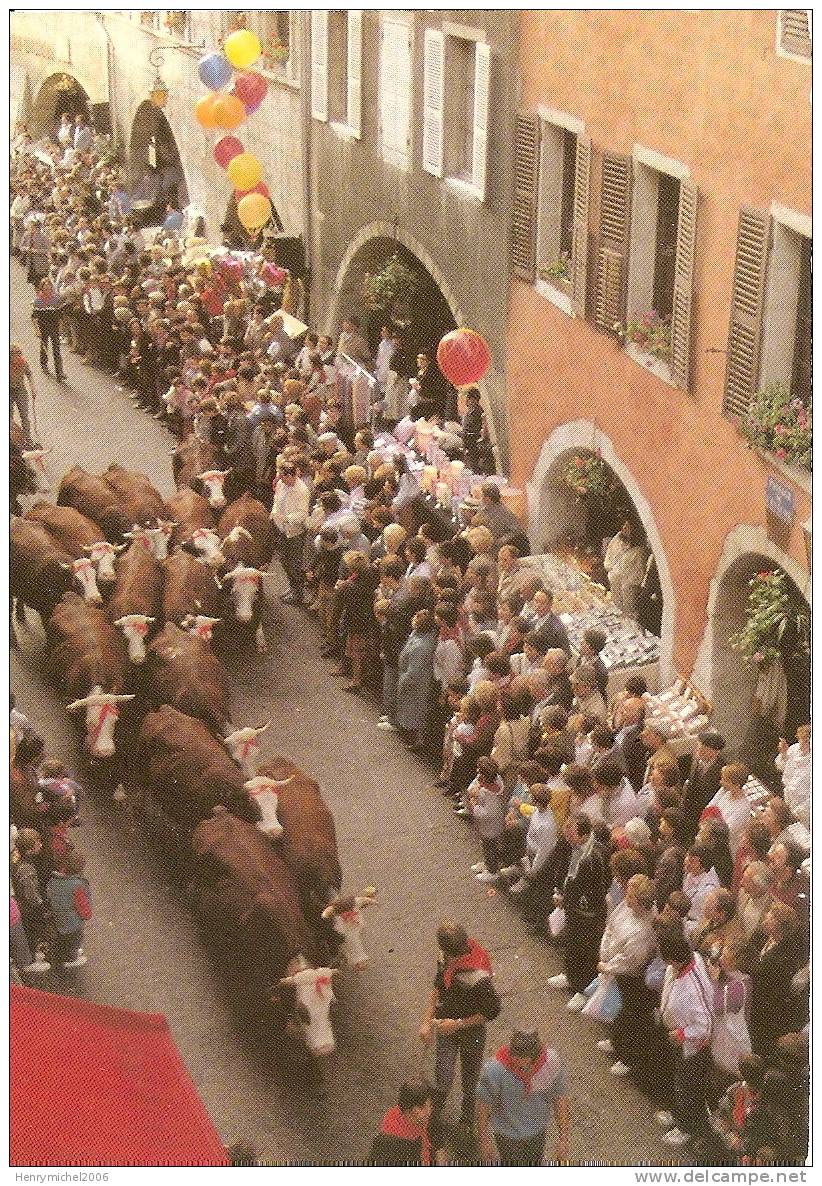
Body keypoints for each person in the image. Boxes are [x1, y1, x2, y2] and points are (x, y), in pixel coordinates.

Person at [419, 923, 501, 1136]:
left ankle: (467, 1118)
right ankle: (434, 1114)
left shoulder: (478, 978)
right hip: (446, 1030)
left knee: (471, 1077)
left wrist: (457, 1024)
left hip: (470, 1033)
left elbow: (491, 1011)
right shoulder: (447, 957)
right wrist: (427, 1021)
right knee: (442, 1077)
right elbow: (439, 986)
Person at [475, 1028, 570, 1166]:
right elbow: (483, 1104)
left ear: (537, 1061)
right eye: (513, 1065)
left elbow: (559, 1098)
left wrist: (564, 1138)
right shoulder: (494, 1070)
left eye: (522, 1067)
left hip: (538, 1132)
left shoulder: (551, 1064)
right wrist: (484, 1139)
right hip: (507, 1135)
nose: (517, 1071)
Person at [655, 928, 714, 1147]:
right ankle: (677, 1112)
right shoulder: (688, 960)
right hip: (676, 1037)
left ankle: (685, 1127)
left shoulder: (693, 989)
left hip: (691, 1047)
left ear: (675, 959)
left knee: (687, 1086)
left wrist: (682, 1034)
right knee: (678, 1080)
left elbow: (705, 1025)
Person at [368, 1079, 443, 1166]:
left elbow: (438, 1146)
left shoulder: (426, 1116)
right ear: (414, 1110)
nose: (430, 1110)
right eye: (426, 1107)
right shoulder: (390, 1142)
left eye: (431, 1105)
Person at [270, 460, 310, 605]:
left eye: (285, 478)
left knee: (294, 564)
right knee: (284, 561)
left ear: (293, 476)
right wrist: (275, 513)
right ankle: (292, 587)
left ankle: (298, 593)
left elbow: (302, 514)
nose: (283, 481)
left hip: (294, 532)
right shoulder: (281, 484)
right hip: (281, 528)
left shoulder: (302, 491)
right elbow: (276, 501)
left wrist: (286, 518)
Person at [45, 849, 92, 969]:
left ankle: (61, 953)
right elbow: (82, 905)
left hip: (58, 915)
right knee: (75, 938)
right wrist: (87, 915)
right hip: (72, 920)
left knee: (63, 937)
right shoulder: (77, 885)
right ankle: (71, 959)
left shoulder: (54, 879)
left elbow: (49, 895)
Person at [31, 277, 66, 381]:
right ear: (42, 289)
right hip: (43, 327)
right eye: (45, 289)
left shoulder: (56, 299)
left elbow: (60, 316)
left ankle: (59, 372)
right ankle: (44, 364)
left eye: (50, 288)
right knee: (44, 347)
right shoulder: (38, 301)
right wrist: (37, 330)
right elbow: (34, 318)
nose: (48, 291)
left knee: (56, 350)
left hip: (54, 327)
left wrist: (60, 328)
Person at [10, 343, 37, 446]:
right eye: (16, 355)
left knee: (24, 415)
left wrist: (33, 387)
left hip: (20, 390)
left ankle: (27, 438)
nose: (18, 357)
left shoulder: (23, 362)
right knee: (9, 416)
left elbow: (29, 374)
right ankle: (11, 438)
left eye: (19, 354)